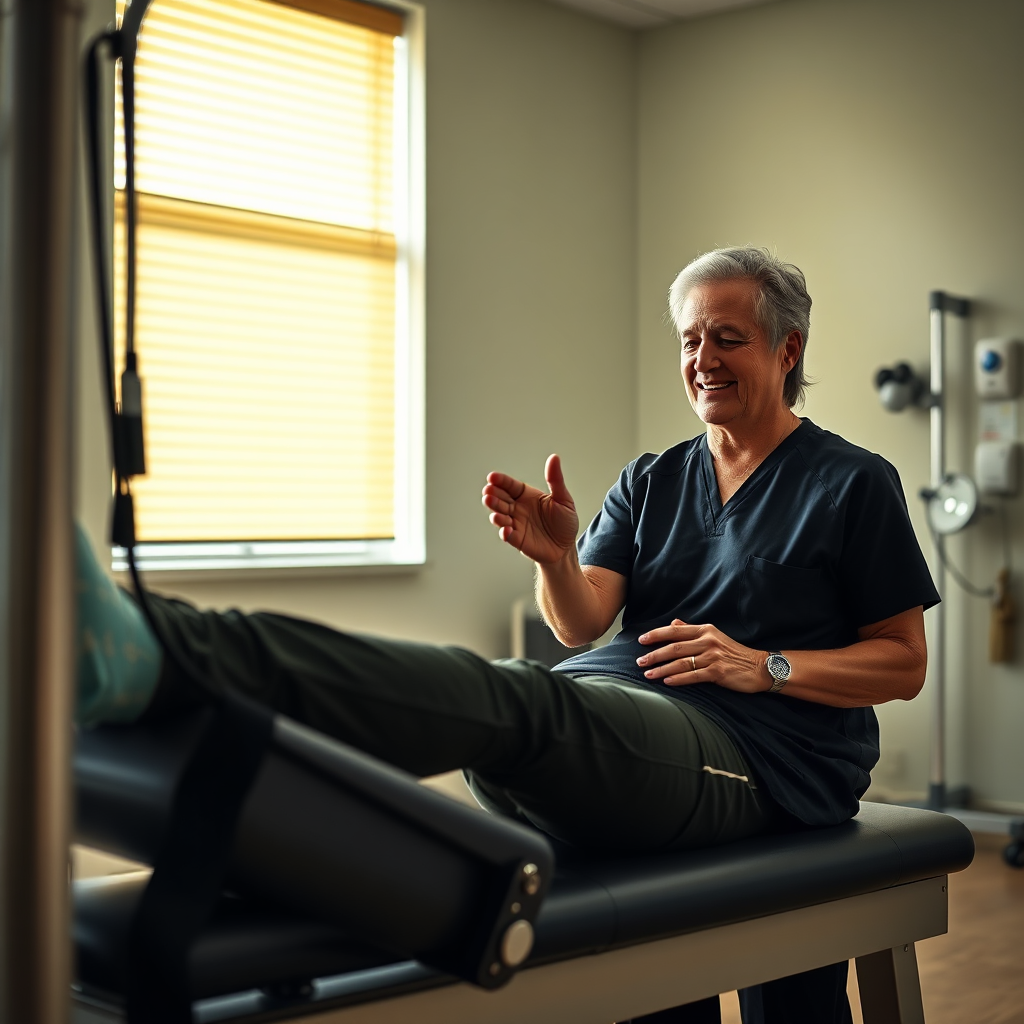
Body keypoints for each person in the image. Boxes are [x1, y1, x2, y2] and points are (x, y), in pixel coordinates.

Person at [75, 246, 938, 1024]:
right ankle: (210, 759)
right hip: (625, 716)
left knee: (508, 703)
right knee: (506, 714)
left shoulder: (851, 483)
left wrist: (767, 666)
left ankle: (166, 648)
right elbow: (580, 620)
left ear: (788, 351)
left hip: (756, 752)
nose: (701, 360)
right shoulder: (654, 477)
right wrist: (557, 558)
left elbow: (903, 662)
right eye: (688, 341)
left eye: (727, 338)